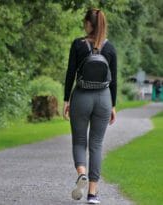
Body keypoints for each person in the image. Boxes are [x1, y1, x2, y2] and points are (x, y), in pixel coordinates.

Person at [63, 8, 117, 204]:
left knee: (79, 141)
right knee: (96, 144)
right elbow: (114, 80)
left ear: (88, 24)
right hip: (103, 98)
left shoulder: (78, 44)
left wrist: (66, 100)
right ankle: (93, 194)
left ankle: (81, 173)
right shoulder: (110, 48)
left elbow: (70, 73)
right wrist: (113, 106)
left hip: (82, 97)